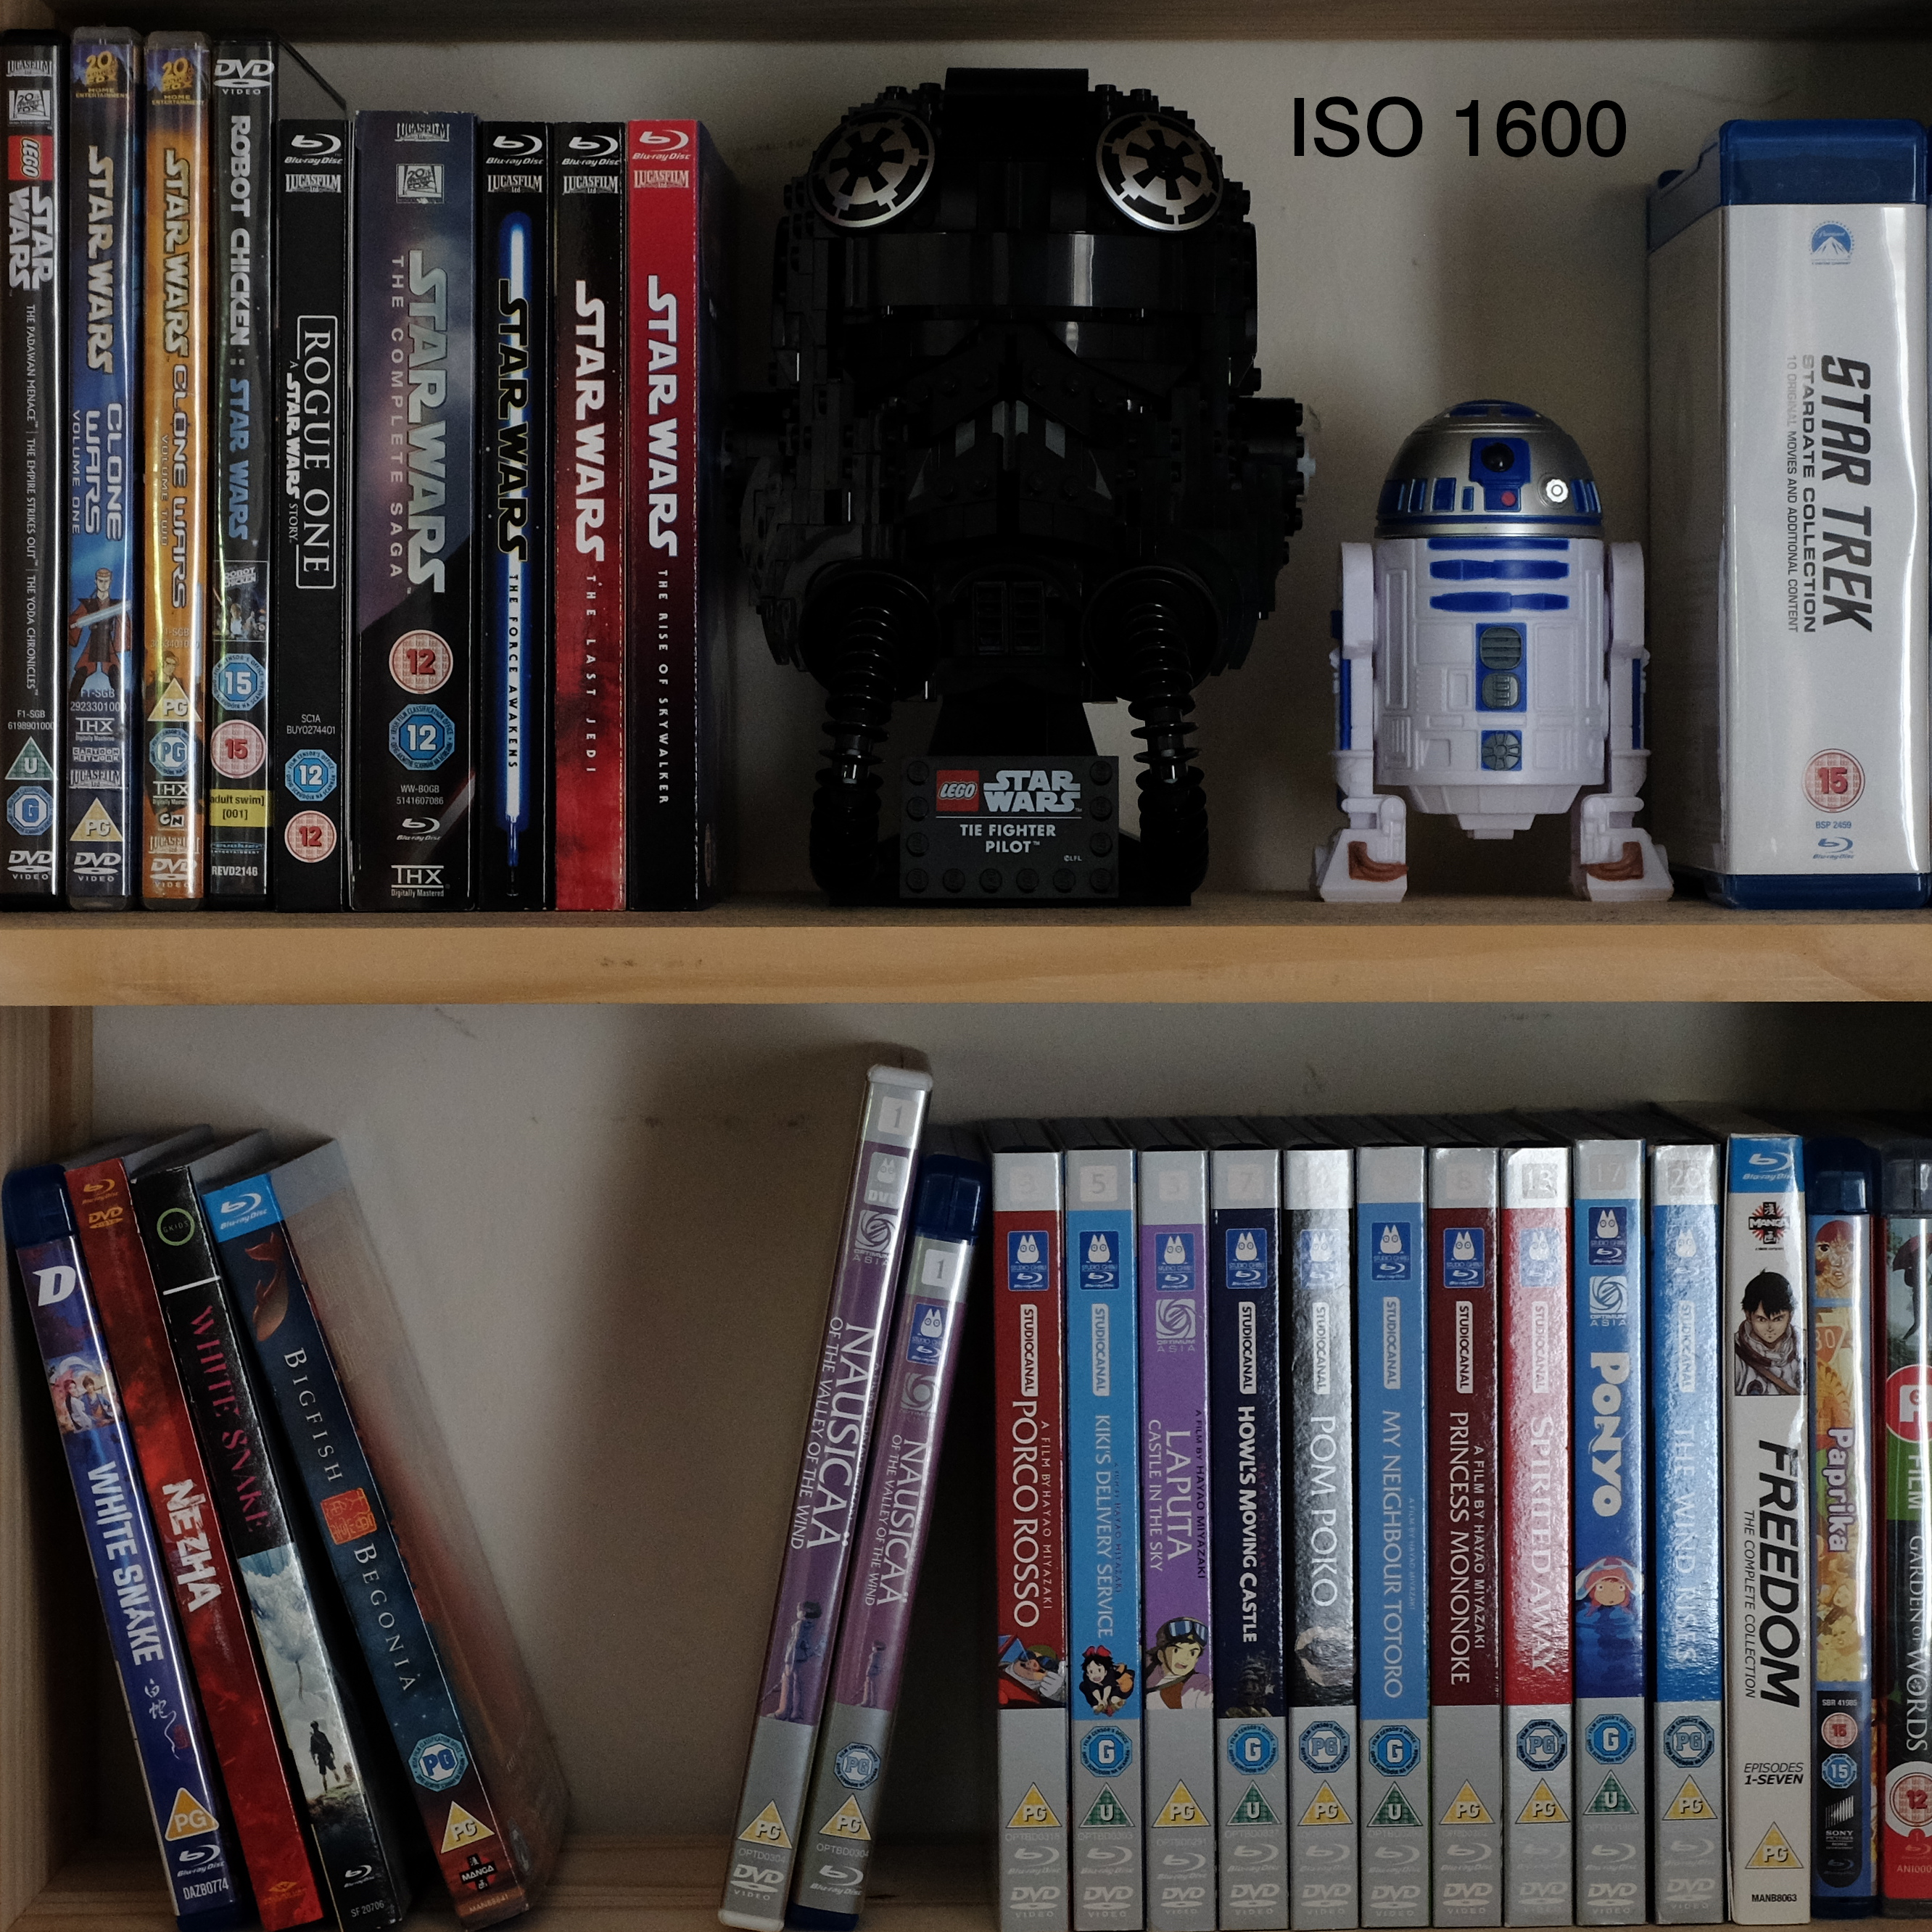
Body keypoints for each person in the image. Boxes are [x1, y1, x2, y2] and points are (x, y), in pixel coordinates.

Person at [1734, 1270, 1801, 1395]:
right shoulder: (1734, 1354)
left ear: (1791, 1315)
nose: (1770, 1328)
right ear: (1748, 1316)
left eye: (1778, 1319)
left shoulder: (1807, 1345)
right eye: (1762, 1319)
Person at [1144, 1617, 1210, 1710]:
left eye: (1192, 1653)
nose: (1185, 1658)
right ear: (1161, 1655)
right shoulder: (1147, 1669)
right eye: (1177, 1650)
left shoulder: (1198, 1684)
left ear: (1196, 1659)